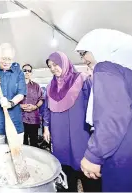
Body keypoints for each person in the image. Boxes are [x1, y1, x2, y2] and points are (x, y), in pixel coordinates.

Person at [75, 28, 132, 192]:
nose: (83, 58)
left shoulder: (106, 67)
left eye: (83, 52)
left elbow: (112, 116)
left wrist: (94, 155)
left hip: (122, 155)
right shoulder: (126, 70)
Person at [43, 51, 100, 192]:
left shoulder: (82, 79)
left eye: (56, 64)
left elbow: (93, 106)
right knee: (65, 171)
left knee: (87, 171)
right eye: (50, 66)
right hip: (59, 133)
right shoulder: (51, 86)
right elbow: (46, 108)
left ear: (65, 63)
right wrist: (45, 127)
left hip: (80, 131)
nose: (53, 68)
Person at [20, 64, 44, 147]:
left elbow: (41, 99)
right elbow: (11, 101)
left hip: (34, 119)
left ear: (31, 73)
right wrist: (20, 106)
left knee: (34, 143)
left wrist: (35, 107)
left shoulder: (36, 86)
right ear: (21, 72)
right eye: (25, 70)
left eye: (29, 71)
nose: (27, 72)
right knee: (22, 143)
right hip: (20, 119)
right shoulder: (16, 85)